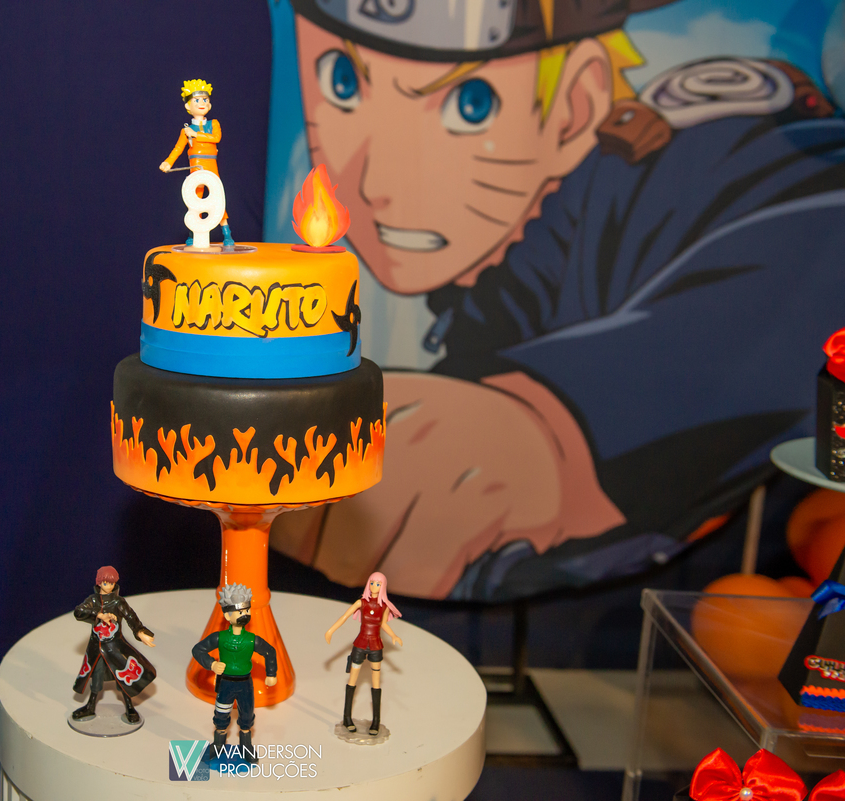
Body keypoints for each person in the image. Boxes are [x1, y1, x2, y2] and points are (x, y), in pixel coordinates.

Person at [270, 0, 845, 601]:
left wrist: (547, 430)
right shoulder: (526, 254)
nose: (376, 184)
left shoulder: (715, 150)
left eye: (471, 104)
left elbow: (811, 241)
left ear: (575, 106)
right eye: (341, 82)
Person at [191, 584, 278, 762]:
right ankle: (218, 744)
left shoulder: (251, 640)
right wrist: (212, 664)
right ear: (227, 615)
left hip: (245, 684)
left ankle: (245, 746)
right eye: (239, 611)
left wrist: (271, 674)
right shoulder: (220, 637)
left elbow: (270, 652)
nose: (244, 614)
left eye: (246, 610)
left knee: (247, 716)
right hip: (226, 684)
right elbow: (198, 650)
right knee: (221, 715)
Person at [72, 565, 156, 723]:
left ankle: (129, 707)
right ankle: (90, 706)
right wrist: (99, 615)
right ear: (99, 583)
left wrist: (140, 632)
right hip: (97, 649)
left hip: (116, 647)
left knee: (123, 678)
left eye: (111, 583)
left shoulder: (118, 602)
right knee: (96, 677)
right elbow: (78, 612)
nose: (109, 586)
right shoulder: (93, 600)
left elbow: (131, 617)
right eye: (105, 583)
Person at [325, 571, 403, 736]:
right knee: (352, 680)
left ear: (383, 586)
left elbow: (383, 624)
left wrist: (394, 636)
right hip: (360, 644)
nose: (374, 586)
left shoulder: (384, 606)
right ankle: (347, 718)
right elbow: (345, 616)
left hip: (375, 645)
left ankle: (376, 721)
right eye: (372, 583)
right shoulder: (361, 602)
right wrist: (331, 630)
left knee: (376, 683)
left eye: (378, 584)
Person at [159, 78, 234, 248]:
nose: (202, 103)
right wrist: (168, 162)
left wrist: (196, 134)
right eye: (197, 100)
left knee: (217, 198)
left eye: (205, 100)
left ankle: (227, 233)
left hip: (211, 166)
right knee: (196, 200)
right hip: (195, 168)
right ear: (188, 106)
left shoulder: (213, 124)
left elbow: (216, 138)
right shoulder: (185, 131)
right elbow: (178, 149)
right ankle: (193, 233)